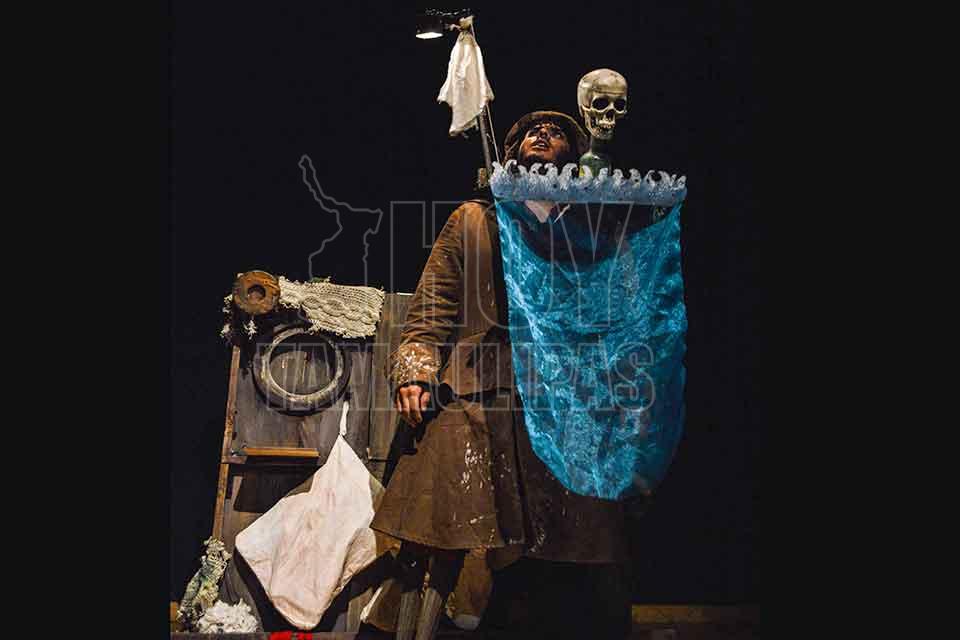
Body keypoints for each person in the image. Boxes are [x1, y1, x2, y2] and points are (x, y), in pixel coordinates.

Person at [370, 111, 633, 639]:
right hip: (474, 394)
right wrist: (415, 371)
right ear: (508, 155)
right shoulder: (472, 220)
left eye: (556, 132)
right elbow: (432, 306)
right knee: (437, 534)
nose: (542, 134)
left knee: (570, 555)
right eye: (531, 131)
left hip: (559, 402)